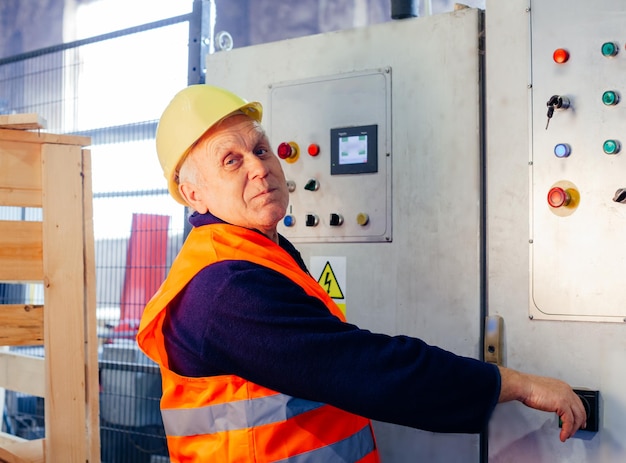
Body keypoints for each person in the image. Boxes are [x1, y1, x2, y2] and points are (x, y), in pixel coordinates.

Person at [137, 84, 586, 462]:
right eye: (231, 161)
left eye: (260, 148)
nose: (259, 167)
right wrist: (516, 383)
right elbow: (364, 368)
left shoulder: (255, 253)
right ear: (193, 193)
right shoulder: (225, 287)